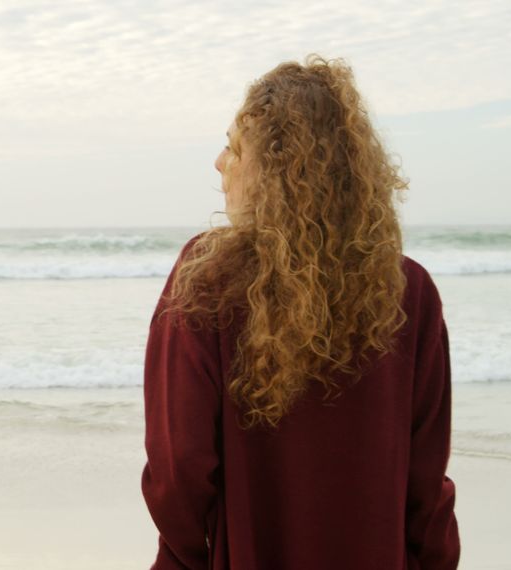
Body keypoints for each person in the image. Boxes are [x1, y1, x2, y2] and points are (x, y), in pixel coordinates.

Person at [140, 54, 460, 570]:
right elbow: (427, 480)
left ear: (272, 168)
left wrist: (182, 559)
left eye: (234, 146)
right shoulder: (409, 290)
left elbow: (179, 466)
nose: (220, 163)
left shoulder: (209, 278)